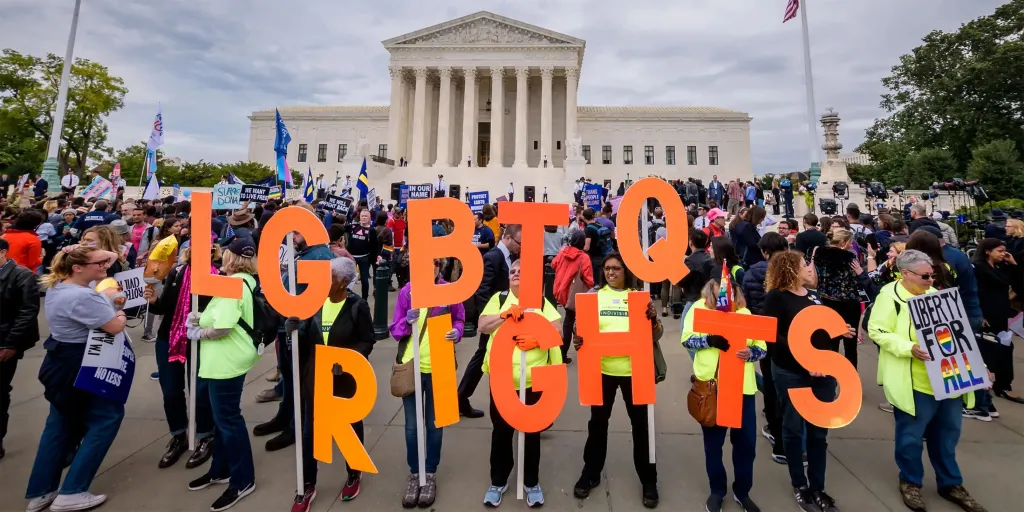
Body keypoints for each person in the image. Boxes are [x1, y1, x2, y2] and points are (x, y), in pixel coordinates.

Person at [868, 250, 988, 512]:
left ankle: (950, 483)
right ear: (905, 274)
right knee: (910, 436)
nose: (931, 279)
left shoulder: (937, 297)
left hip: (948, 380)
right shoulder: (890, 297)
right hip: (914, 382)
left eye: (932, 274)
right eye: (925, 275)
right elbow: (877, 330)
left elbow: (958, 337)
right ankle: (910, 481)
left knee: (947, 435)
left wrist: (979, 368)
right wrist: (908, 347)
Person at [26, 245, 126, 512]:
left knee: (58, 427)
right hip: (81, 362)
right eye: (98, 264)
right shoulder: (84, 297)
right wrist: (119, 313)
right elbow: (114, 327)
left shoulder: (59, 287)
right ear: (77, 268)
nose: (105, 266)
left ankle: (42, 490)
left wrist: (85, 249)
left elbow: (112, 256)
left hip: (59, 360)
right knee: (106, 418)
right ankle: (72, 491)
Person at [572, 252, 663, 509]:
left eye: (616, 269)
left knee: (642, 427)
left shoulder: (637, 297)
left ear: (626, 272)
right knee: (597, 425)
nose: (611, 273)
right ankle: (591, 473)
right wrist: (577, 339)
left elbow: (656, 334)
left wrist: (653, 319)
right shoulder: (594, 296)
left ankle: (648, 480)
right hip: (602, 371)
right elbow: (581, 330)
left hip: (635, 372)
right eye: (607, 269)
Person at [764, 250, 851, 512]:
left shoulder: (814, 296)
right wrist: (804, 359)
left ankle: (818, 487)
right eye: (805, 264)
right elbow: (772, 338)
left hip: (822, 374)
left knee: (818, 432)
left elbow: (820, 331)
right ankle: (800, 485)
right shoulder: (776, 298)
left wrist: (840, 331)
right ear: (791, 270)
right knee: (793, 429)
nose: (810, 268)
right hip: (792, 372)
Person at [291, 257, 376, 510]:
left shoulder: (357, 306)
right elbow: (305, 342)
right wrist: (292, 330)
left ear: (343, 282)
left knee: (349, 429)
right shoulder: (315, 305)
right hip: (316, 380)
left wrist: (346, 359)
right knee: (310, 434)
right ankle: (307, 485)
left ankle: (354, 472)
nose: (323, 282)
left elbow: (368, 340)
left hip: (344, 383)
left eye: (329, 277)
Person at [478, 259, 563, 507]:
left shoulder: (540, 302)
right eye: (512, 271)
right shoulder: (499, 298)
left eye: (521, 272)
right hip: (503, 380)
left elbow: (558, 332)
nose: (515, 274)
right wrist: (504, 316)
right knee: (501, 432)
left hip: (533, 380)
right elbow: (483, 326)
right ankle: (498, 481)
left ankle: (531, 482)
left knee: (531, 432)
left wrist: (537, 339)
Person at [185, 237, 260, 511]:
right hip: (225, 359)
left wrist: (198, 331)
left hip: (226, 361)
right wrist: (200, 318)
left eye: (224, 253)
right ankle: (222, 468)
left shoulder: (233, 284)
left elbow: (224, 326)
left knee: (228, 420)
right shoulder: (245, 281)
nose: (220, 256)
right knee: (221, 420)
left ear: (232, 258)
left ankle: (243, 479)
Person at [682, 280, 766, 512]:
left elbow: (762, 347)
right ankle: (717, 490)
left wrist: (751, 353)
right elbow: (686, 338)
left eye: (730, 293)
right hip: (713, 389)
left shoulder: (746, 313)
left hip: (742, 390)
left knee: (746, 445)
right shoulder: (699, 309)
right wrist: (708, 340)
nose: (725, 298)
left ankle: (742, 491)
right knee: (713, 444)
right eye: (720, 293)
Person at [390, 257, 465, 509]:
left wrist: (457, 331)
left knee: (435, 424)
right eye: (426, 262)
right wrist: (406, 321)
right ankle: (415, 473)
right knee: (412, 426)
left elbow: (459, 319)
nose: (430, 266)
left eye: (435, 263)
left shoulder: (448, 290)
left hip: (439, 365)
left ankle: (429, 473)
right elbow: (394, 330)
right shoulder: (407, 292)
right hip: (411, 367)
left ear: (439, 266)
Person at [143, 243, 217, 470]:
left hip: (201, 339)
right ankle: (179, 434)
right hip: (170, 336)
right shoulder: (177, 272)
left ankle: (205, 435)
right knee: (171, 390)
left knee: (201, 390)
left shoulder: (219, 276)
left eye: (208, 248)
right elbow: (164, 307)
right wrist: (153, 301)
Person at [459, 224, 522, 418]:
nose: (521, 247)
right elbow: (483, 290)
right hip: (495, 319)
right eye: (519, 242)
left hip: (505, 317)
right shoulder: (493, 257)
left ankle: (461, 398)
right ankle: (461, 398)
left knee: (482, 357)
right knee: (482, 357)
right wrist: (492, 316)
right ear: (509, 238)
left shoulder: (507, 257)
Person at [0, 237, 41, 460]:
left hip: (5, 341)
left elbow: (27, 311)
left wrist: (11, 343)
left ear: (4, 253)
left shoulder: (22, 276)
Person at [972, 239, 1024, 405]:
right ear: (987, 251)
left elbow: (1019, 286)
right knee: (990, 348)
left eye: (1004, 251)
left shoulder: (1002, 267)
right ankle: (987, 386)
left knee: (1005, 347)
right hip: (987, 313)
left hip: (1001, 312)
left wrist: (1013, 264)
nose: (1003, 254)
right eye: (999, 251)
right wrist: (979, 313)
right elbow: (975, 292)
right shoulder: (979, 268)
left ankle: (1002, 384)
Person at [813, 228, 865, 369]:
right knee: (850, 345)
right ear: (843, 242)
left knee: (830, 340)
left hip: (826, 301)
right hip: (848, 303)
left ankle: (830, 374)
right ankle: (851, 377)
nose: (851, 245)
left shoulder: (817, 253)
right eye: (850, 242)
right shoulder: (849, 257)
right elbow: (855, 281)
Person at [551, 230, 594, 362]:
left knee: (568, 321)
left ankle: (563, 354)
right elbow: (589, 280)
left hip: (561, 291)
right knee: (576, 321)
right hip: (575, 296)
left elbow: (553, 264)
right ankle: (575, 350)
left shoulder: (563, 252)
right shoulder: (584, 258)